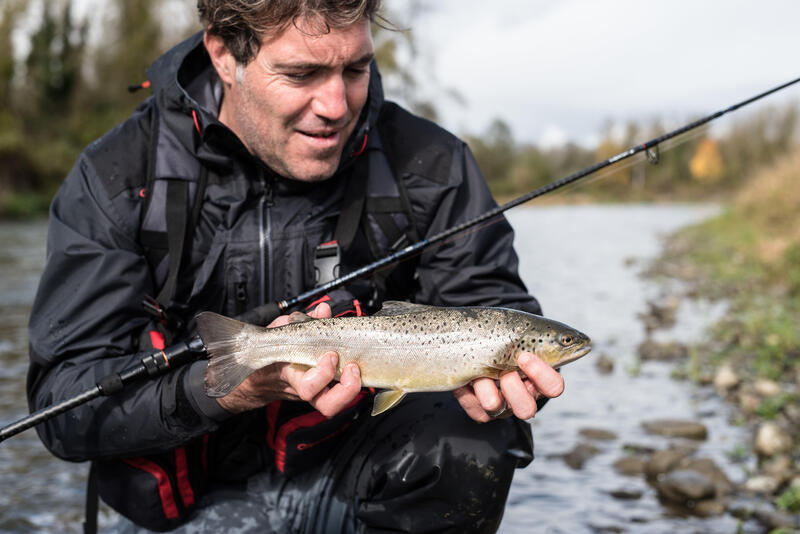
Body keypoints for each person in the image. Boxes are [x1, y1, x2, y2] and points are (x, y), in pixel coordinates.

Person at [27, 1, 565, 532]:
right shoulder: (117, 177)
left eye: (356, 68)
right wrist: (228, 388)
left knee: (478, 443)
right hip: (178, 504)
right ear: (222, 54)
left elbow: (495, 305)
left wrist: (507, 389)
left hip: (351, 482)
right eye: (301, 73)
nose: (336, 103)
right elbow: (62, 408)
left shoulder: (432, 162)